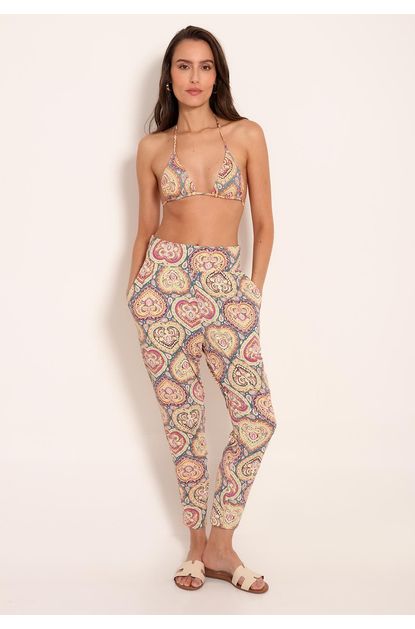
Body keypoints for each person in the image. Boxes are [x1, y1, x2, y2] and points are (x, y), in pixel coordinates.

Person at [126, 25, 277, 594]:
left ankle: (221, 542)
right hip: (162, 287)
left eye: (205, 66)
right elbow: (145, 228)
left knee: (256, 419)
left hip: (225, 286)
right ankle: (197, 547)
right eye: (184, 66)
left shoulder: (246, 135)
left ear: (218, 75)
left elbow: (264, 224)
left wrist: (251, 294)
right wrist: (135, 293)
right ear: (169, 76)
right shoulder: (152, 148)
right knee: (184, 424)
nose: (195, 77)